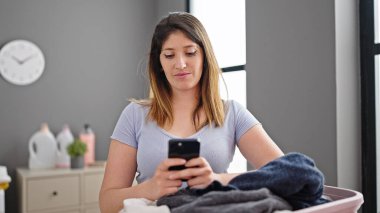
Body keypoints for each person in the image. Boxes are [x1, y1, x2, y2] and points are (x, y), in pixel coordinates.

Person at [99, 12, 284, 213]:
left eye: (190, 52)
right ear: (159, 62)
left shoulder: (233, 113)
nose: (180, 64)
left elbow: (285, 173)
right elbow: (107, 204)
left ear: (204, 56)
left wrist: (217, 180)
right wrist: (150, 189)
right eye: (169, 55)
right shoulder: (134, 115)